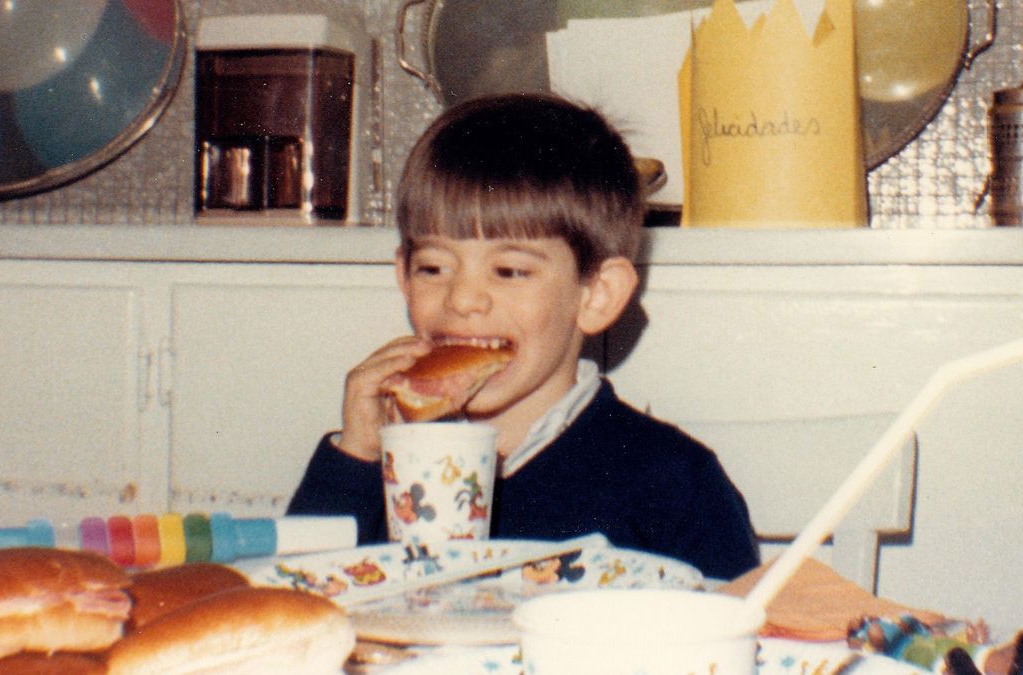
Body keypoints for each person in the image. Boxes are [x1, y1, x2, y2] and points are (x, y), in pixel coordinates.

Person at [287, 92, 760, 580]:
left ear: (596, 295)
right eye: (433, 267)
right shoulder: (382, 466)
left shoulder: (673, 482)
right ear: (403, 278)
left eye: (510, 270)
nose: (463, 299)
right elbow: (294, 608)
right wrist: (354, 458)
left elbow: (734, 633)